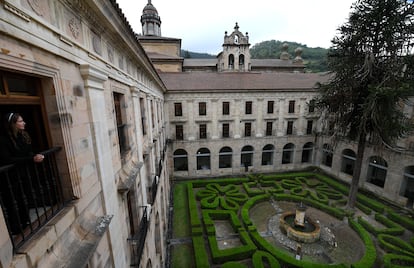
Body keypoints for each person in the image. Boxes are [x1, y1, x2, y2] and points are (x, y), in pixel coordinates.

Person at [0, 112, 44, 234]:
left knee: (24, 197)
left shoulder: (23, 135)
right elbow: (7, 159)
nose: (23, 123)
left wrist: (35, 156)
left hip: (24, 174)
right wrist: (31, 159)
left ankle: (24, 222)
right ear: (12, 124)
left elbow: (28, 151)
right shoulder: (3, 140)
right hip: (11, 177)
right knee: (13, 201)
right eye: (20, 121)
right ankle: (16, 227)